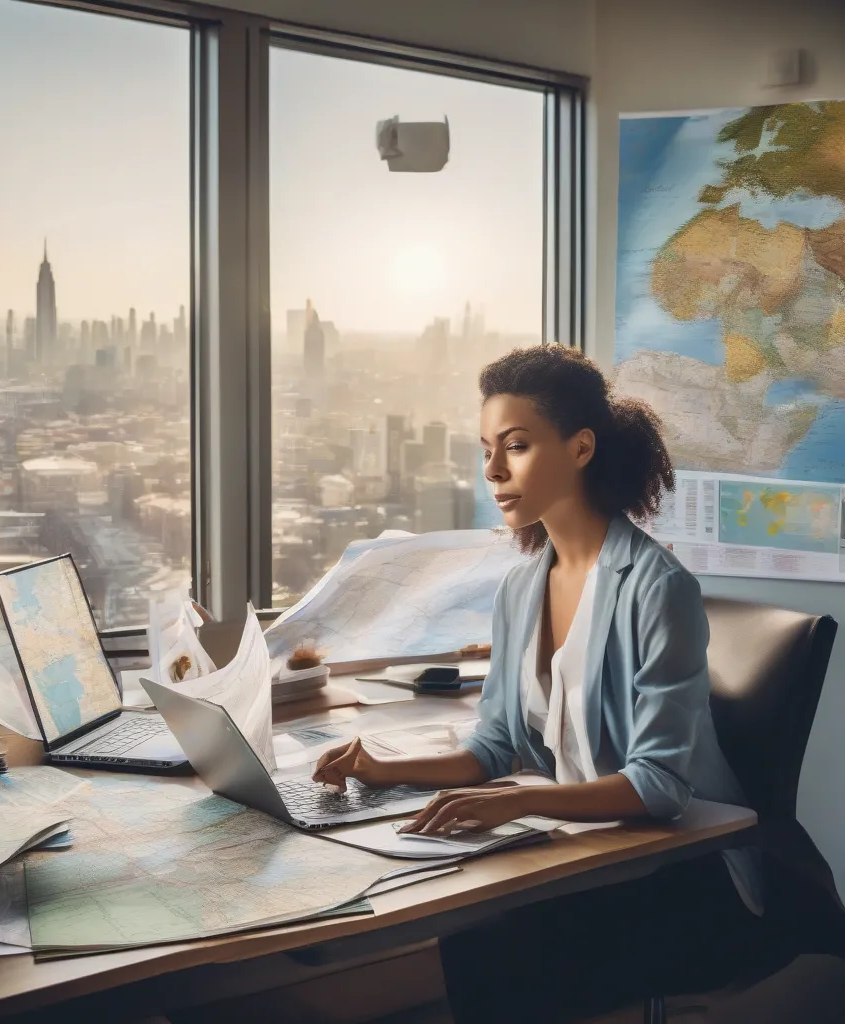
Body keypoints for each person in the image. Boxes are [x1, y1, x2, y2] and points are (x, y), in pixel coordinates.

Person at [312, 345, 772, 1022]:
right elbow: (494, 746)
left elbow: (659, 787)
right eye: (486, 449)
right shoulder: (524, 584)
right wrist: (387, 768)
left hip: (687, 875)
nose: (494, 470)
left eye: (516, 446)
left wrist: (518, 807)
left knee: (496, 940)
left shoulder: (657, 588)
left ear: (581, 448)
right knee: (471, 928)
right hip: (595, 852)